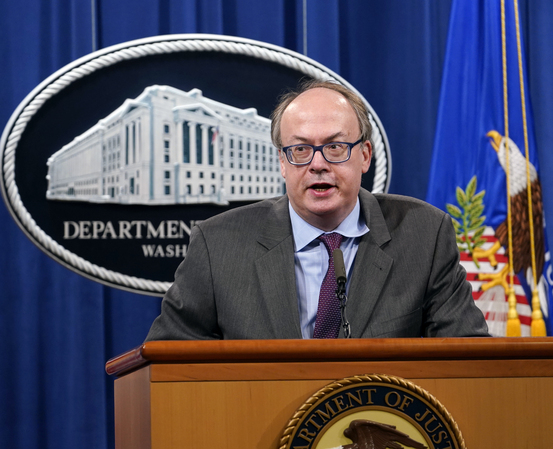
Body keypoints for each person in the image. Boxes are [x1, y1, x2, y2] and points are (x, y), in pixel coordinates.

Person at [145, 80, 489, 341]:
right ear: (282, 162)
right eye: (300, 150)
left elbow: (466, 359)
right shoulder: (218, 245)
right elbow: (167, 365)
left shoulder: (423, 235)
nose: (318, 164)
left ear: (365, 155)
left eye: (335, 147)